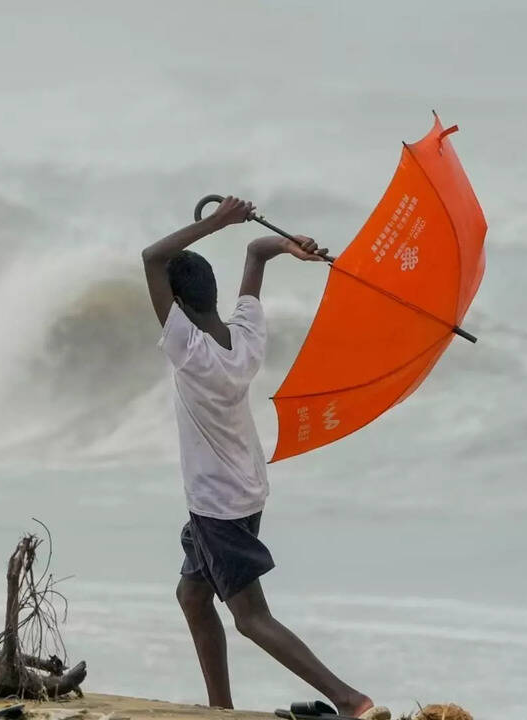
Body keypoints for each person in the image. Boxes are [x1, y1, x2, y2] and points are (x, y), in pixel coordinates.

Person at [141, 196, 375, 718]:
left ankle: (349, 699)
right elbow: (255, 253)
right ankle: (220, 709)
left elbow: (152, 259)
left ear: (175, 305)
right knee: (193, 596)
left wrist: (216, 222)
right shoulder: (245, 336)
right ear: (215, 294)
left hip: (217, 503)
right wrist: (290, 247)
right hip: (246, 490)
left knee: (250, 616)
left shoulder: (189, 350)